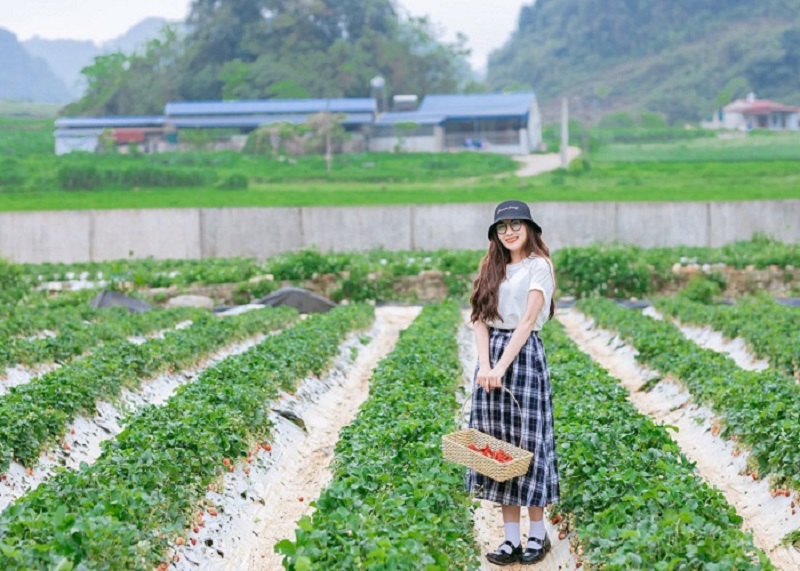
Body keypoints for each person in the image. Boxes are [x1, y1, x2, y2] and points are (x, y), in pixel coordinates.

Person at [466, 199, 561, 566]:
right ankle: (510, 540)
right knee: (499, 450)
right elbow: (478, 320)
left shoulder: (539, 267)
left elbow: (526, 322)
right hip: (492, 357)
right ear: (495, 234)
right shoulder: (492, 268)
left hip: (523, 357)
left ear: (530, 228)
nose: (509, 231)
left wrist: (500, 367)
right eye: (502, 226)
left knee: (529, 442)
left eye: (516, 224)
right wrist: (485, 366)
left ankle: (538, 536)